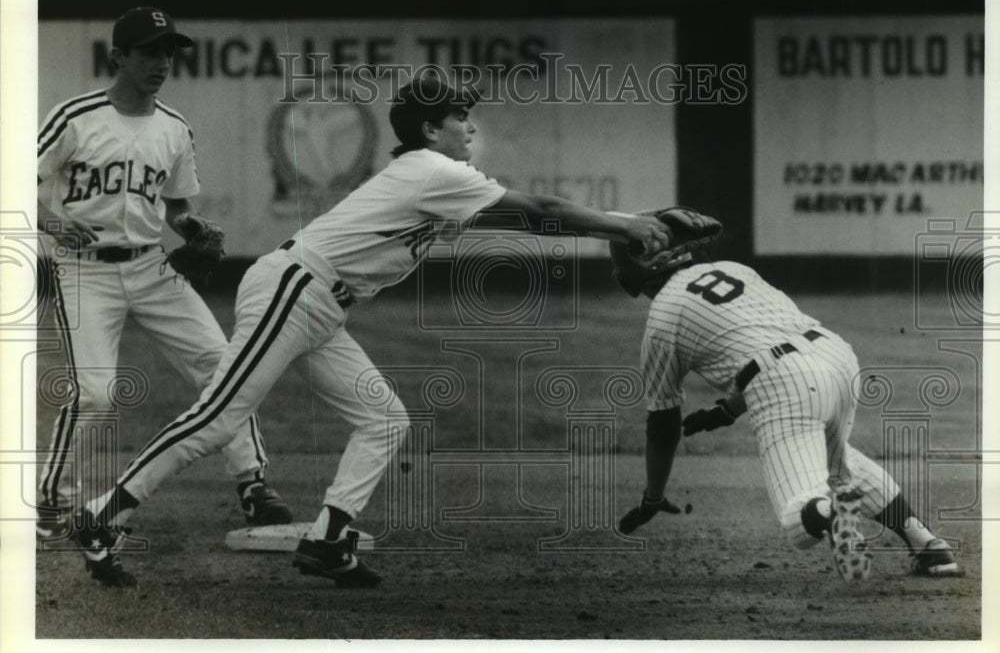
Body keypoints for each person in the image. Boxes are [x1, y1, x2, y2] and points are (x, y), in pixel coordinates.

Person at [71, 74, 676, 587]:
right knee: (220, 416)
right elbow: (540, 213)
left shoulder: (434, 175)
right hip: (296, 285)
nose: (469, 125)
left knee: (384, 418)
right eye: (457, 115)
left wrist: (633, 223)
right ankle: (104, 513)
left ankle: (330, 538)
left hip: (321, 302)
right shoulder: (433, 170)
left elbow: (530, 219)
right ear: (429, 130)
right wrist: (626, 229)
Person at [36, 7, 292, 541]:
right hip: (84, 271)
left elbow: (176, 207)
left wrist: (190, 225)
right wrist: (53, 223)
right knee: (96, 394)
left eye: (168, 52)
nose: (162, 62)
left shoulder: (174, 128)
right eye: (150, 51)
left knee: (226, 367)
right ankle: (53, 502)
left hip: (152, 265)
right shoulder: (75, 117)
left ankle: (252, 483)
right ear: (119, 57)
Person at [610, 212, 960, 583]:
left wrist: (653, 496)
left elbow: (662, 428)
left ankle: (837, 517)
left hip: (784, 383)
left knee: (799, 521)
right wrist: (728, 411)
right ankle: (929, 545)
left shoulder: (662, 321)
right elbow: (775, 344)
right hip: (836, 356)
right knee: (835, 464)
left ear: (632, 272)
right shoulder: (734, 269)